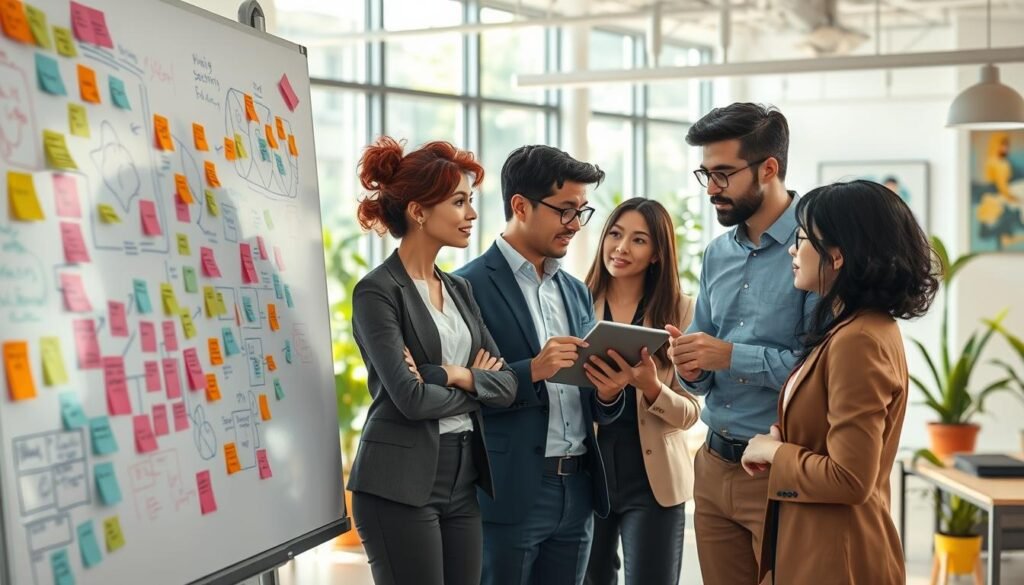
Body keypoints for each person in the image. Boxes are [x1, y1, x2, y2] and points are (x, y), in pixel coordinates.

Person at [741, 180, 938, 584]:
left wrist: (776, 452)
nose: (793, 251)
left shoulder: (859, 340)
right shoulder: (856, 328)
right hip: (821, 548)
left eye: (802, 240)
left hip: (837, 558)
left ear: (837, 256)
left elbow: (850, 478)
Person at [348, 136, 518, 585]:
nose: (472, 214)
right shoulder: (377, 292)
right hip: (399, 485)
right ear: (419, 212)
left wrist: (451, 374)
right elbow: (410, 400)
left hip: (462, 480)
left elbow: (508, 387)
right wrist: (476, 384)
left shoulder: (459, 289)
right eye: (459, 202)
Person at [455, 145, 626, 585]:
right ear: (520, 206)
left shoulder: (575, 290)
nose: (575, 225)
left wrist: (609, 393)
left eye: (582, 212)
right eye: (566, 211)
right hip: (511, 490)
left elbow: (588, 392)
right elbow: (463, 392)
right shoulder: (466, 287)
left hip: (579, 487)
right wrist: (533, 367)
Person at [669, 102, 815, 585]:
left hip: (777, 471)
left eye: (724, 174)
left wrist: (730, 356)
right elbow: (704, 378)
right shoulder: (716, 254)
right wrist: (689, 364)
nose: (712, 189)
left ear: (769, 168)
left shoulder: (817, 249)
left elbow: (820, 371)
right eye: (705, 174)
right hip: (712, 467)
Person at [582, 197, 701, 585]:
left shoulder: (682, 312)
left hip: (654, 481)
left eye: (637, 240)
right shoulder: (576, 303)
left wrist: (651, 388)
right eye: (615, 235)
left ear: (656, 254)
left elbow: (691, 412)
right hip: (588, 473)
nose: (620, 248)